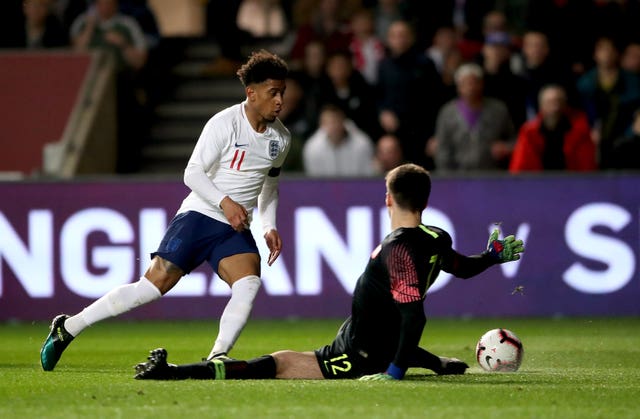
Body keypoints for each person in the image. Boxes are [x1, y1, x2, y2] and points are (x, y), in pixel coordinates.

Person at [132, 163, 525, 381]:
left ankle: (175, 373)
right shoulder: (434, 236)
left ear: (387, 198)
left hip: (359, 354)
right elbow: (462, 268)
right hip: (371, 339)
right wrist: (490, 257)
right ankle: (437, 364)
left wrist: (394, 373)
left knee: (278, 363)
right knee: (373, 331)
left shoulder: (398, 249)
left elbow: (413, 315)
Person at [40, 50, 291, 371]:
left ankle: (217, 356)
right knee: (149, 289)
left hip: (233, 229)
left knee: (249, 283)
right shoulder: (224, 124)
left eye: (282, 92)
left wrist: (268, 225)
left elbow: (270, 186)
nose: (280, 100)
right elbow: (193, 173)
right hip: (200, 216)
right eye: (273, 93)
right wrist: (226, 202)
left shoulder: (281, 138)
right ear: (251, 93)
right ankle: (69, 327)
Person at [432, 63, 516, 172]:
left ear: (482, 84)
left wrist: (506, 148)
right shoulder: (447, 113)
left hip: (492, 174)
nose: (471, 87)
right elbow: (442, 149)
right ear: (458, 87)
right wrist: (447, 177)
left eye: (474, 83)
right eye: (465, 84)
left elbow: (514, 140)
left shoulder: (498, 110)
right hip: (458, 176)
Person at [509, 85, 597, 173]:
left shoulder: (579, 132)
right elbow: (519, 168)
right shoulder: (529, 133)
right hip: (537, 183)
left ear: (565, 104)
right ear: (541, 106)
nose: (555, 107)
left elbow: (587, 168)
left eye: (558, 102)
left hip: (572, 183)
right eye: (549, 102)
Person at [303, 104, 375, 177]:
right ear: (322, 124)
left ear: (343, 121)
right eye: (328, 123)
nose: (333, 126)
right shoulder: (312, 148)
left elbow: (367, 178)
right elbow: (314, 181)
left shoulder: (363, 144)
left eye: (336, 121)